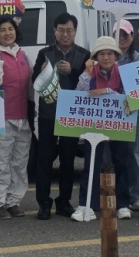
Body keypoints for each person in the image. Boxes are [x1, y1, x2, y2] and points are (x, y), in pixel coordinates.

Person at [32, 13, 91, 220]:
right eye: (61, 30)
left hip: (71, 115)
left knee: (68, 160)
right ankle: (43, 203)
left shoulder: (84, 54)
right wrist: (41, 72)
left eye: (69, 30)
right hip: (48, 113)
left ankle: (64, 201)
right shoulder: (45, 53)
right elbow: (34, 81)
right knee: (44, 160)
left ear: (75, 31)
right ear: (55, 31)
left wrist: (73, 71)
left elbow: (88, 84)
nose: (65, 34)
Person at [72, 36, 132, 222]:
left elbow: (130, 96)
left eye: (110, 53)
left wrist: (107, 92)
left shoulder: (124, 72)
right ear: (96, 57)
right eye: (102, 54)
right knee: (92, 164)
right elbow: (78, 95)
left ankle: (122, 204)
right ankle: (86, 204)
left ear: (116, 56)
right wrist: (86, 74)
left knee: (120, 163)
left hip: (119, 125)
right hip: (94, 126)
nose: (106, 57)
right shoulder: (90, 72)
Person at [0, 17, 32, 219]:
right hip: (2, 117)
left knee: (19, 163)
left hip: (23, 117)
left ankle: (13, 200)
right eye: (3, 30)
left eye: (10, 29)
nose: (7, 33)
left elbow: (30, 86)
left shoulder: (23, 54)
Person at [113, 20, 139, 212]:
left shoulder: (136, 56)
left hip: (133, 112)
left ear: (132, 37)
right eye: (118, 35)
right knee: (114, 156)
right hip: (111, 114)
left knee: (135, 154)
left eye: (125, 35)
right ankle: (116, 195)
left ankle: (137, 196)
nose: (121, 39)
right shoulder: (108, 57)